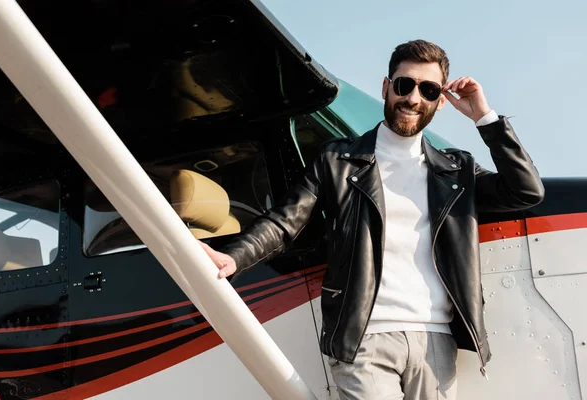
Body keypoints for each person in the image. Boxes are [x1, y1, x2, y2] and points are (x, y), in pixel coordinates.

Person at [198, 39, 545, 400]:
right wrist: (234, 257)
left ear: (440, 101)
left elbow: (525, 192)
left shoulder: (455, 170)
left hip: (436, 344)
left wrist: (484, 118)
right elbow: (285, 222)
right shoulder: (337, 160)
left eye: (427, 90)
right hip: (365, 338)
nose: (412, 98)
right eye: (403, 84)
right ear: (386, 87)